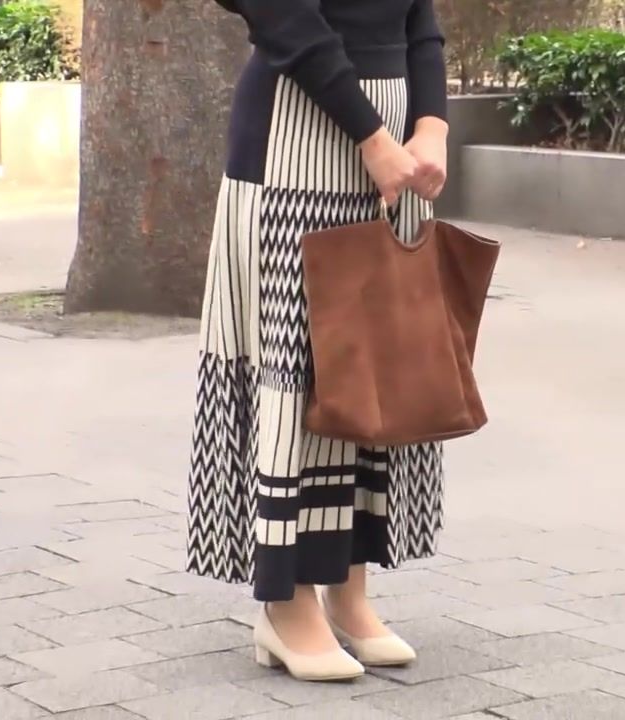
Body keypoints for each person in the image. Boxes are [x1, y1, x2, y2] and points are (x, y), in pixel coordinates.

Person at [186, 0, 449, 681]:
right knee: (297, 370)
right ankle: (287, 604)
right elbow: (280, 13)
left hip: (393, 152)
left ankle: (348, 593)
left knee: (367, 369)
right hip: (296, 133)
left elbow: (421, 19)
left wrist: (432, 124)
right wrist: (372, 135)